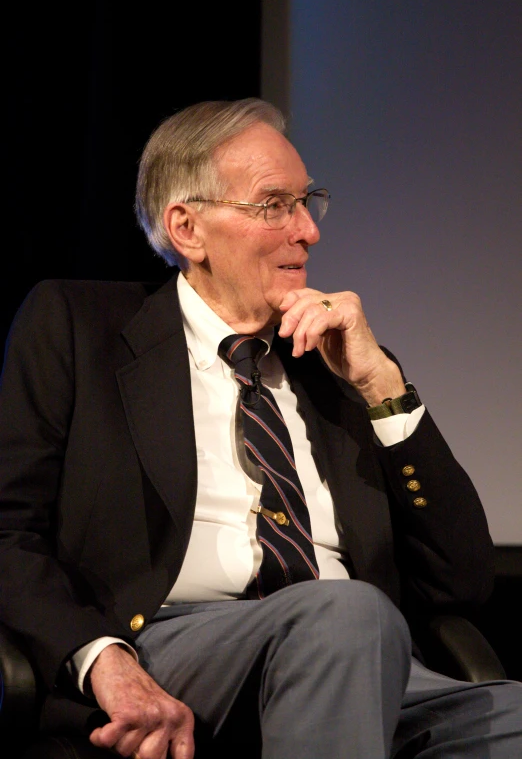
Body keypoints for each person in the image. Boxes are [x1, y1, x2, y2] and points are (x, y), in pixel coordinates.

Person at [0, 98, 520, 759]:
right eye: (274, 205)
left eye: (309, 202)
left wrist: (382, 389)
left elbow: (462, 582)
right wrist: (103, 660)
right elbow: (9, 534)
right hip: (172, 645)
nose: (308, 231)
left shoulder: (335, 367)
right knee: (345, 613)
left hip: (370, 658)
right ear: (187, 229)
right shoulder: (78, 327)